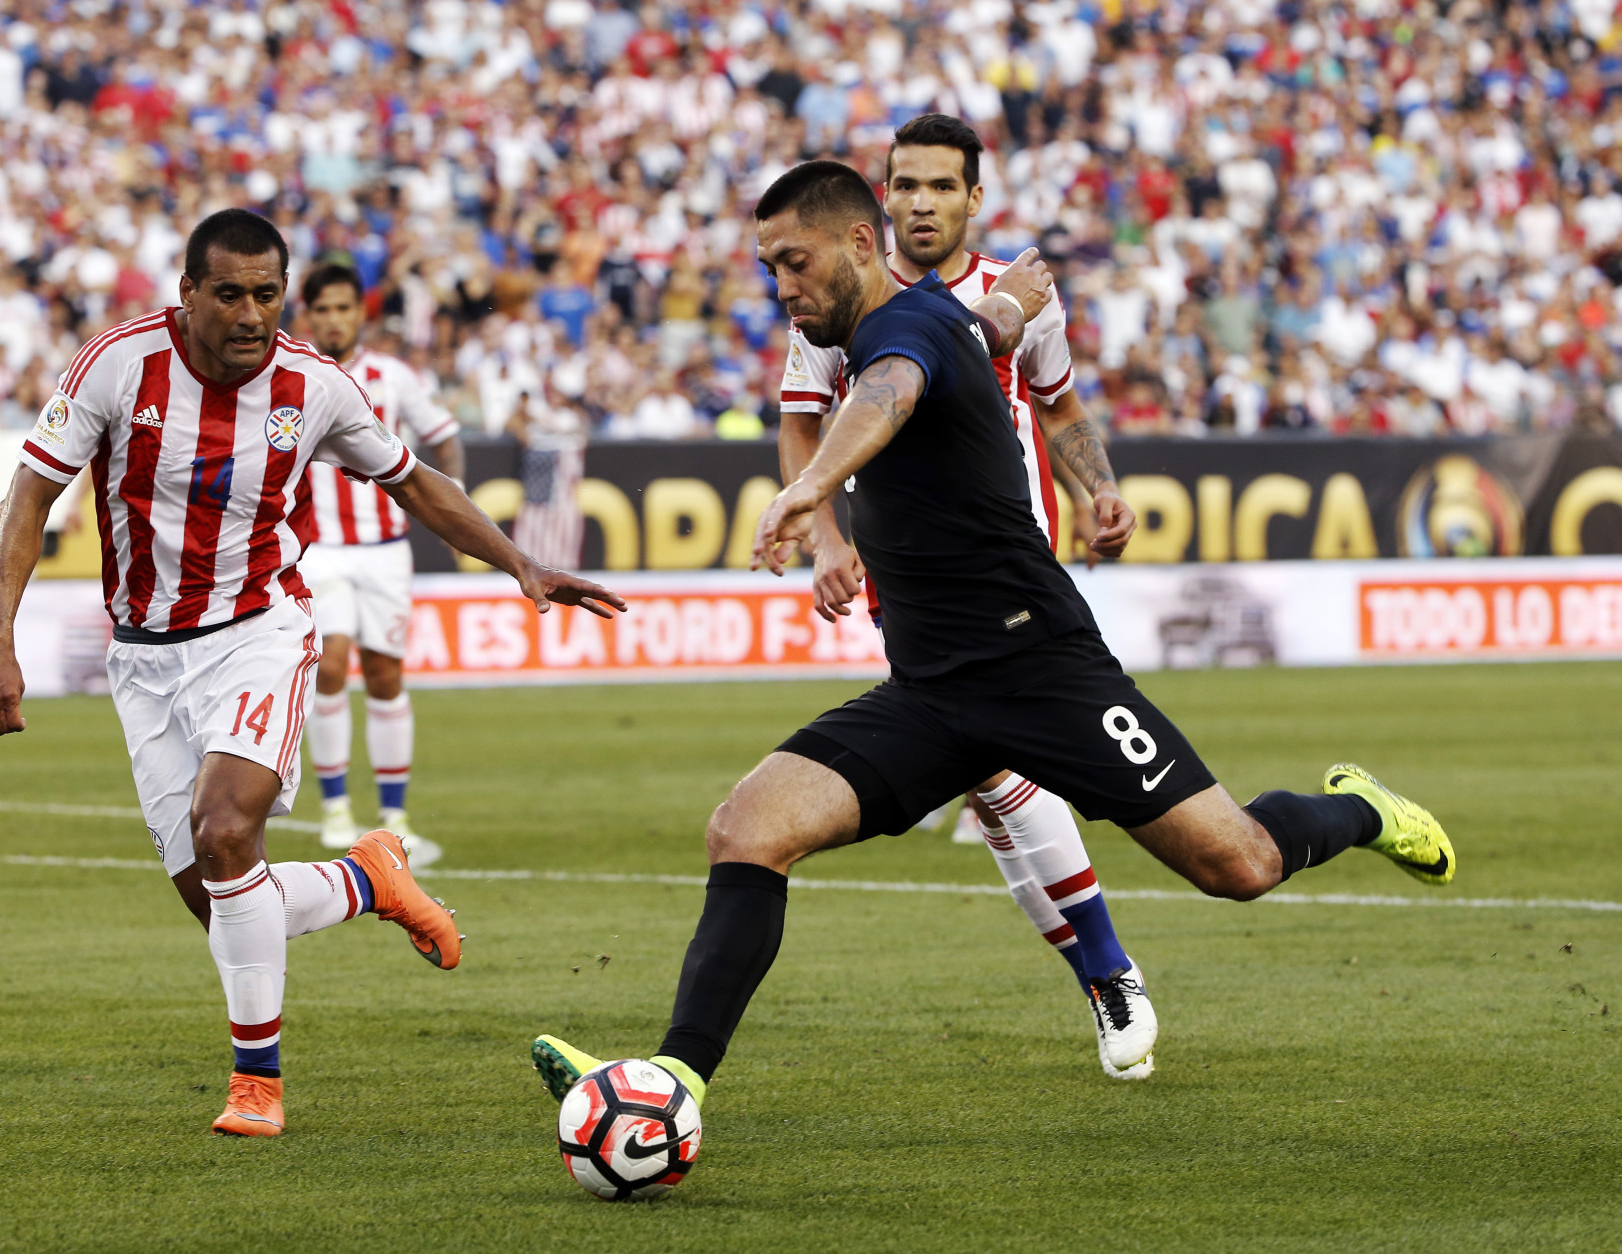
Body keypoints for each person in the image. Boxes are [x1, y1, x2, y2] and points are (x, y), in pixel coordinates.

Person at [531, 161, 1453, 1131]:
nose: (780, 287)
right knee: (747, 829)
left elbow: (890, 391)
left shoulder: (905, 331)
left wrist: (813, 489)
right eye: (768, 268)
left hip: (1039, 669)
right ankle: (673, 1082)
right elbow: (974, 337)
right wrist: (996, 315)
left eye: (793, 262)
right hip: (929, 692)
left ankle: (1354, 809)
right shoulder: (934, 323)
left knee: (1241, 867)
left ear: (856, 245)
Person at [0, 209, 625, 1138]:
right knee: (225, 902)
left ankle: (257, 1086)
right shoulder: (117, 365)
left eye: (266, 295)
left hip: (259, 631)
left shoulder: (316, 386)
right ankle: (369, 879)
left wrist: (519, 561)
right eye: (228, 293)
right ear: (187, 292)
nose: (250, 313)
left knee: (227, 828)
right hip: (145, 656)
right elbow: (30, 495)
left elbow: (416, 482)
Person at [777, 115, 1153, 1078]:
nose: (921, 203)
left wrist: (1097, 488)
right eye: (904, 185)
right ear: (880, 201)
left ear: (974, 199)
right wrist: (827, 536)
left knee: (997, 768)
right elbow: (801, 423)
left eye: (942, 186)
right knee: (990, 778)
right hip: (910, 579)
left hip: (1013, 565)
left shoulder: (1015, 294)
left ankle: (1108, 970)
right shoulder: (836, 297)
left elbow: (1060, 408)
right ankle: (1108, 975)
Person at [294, 263, 466, 864]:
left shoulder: (393, 377)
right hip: (319, 552)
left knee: (387, 675)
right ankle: (337, 808)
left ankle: (394, 817)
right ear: (308, 315)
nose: (334, 319)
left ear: (358, 314)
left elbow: (443, 434)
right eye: (323, 310)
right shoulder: (291, 375)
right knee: (332, 665)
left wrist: (455, 500)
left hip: (387, 551)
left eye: (344, 308)